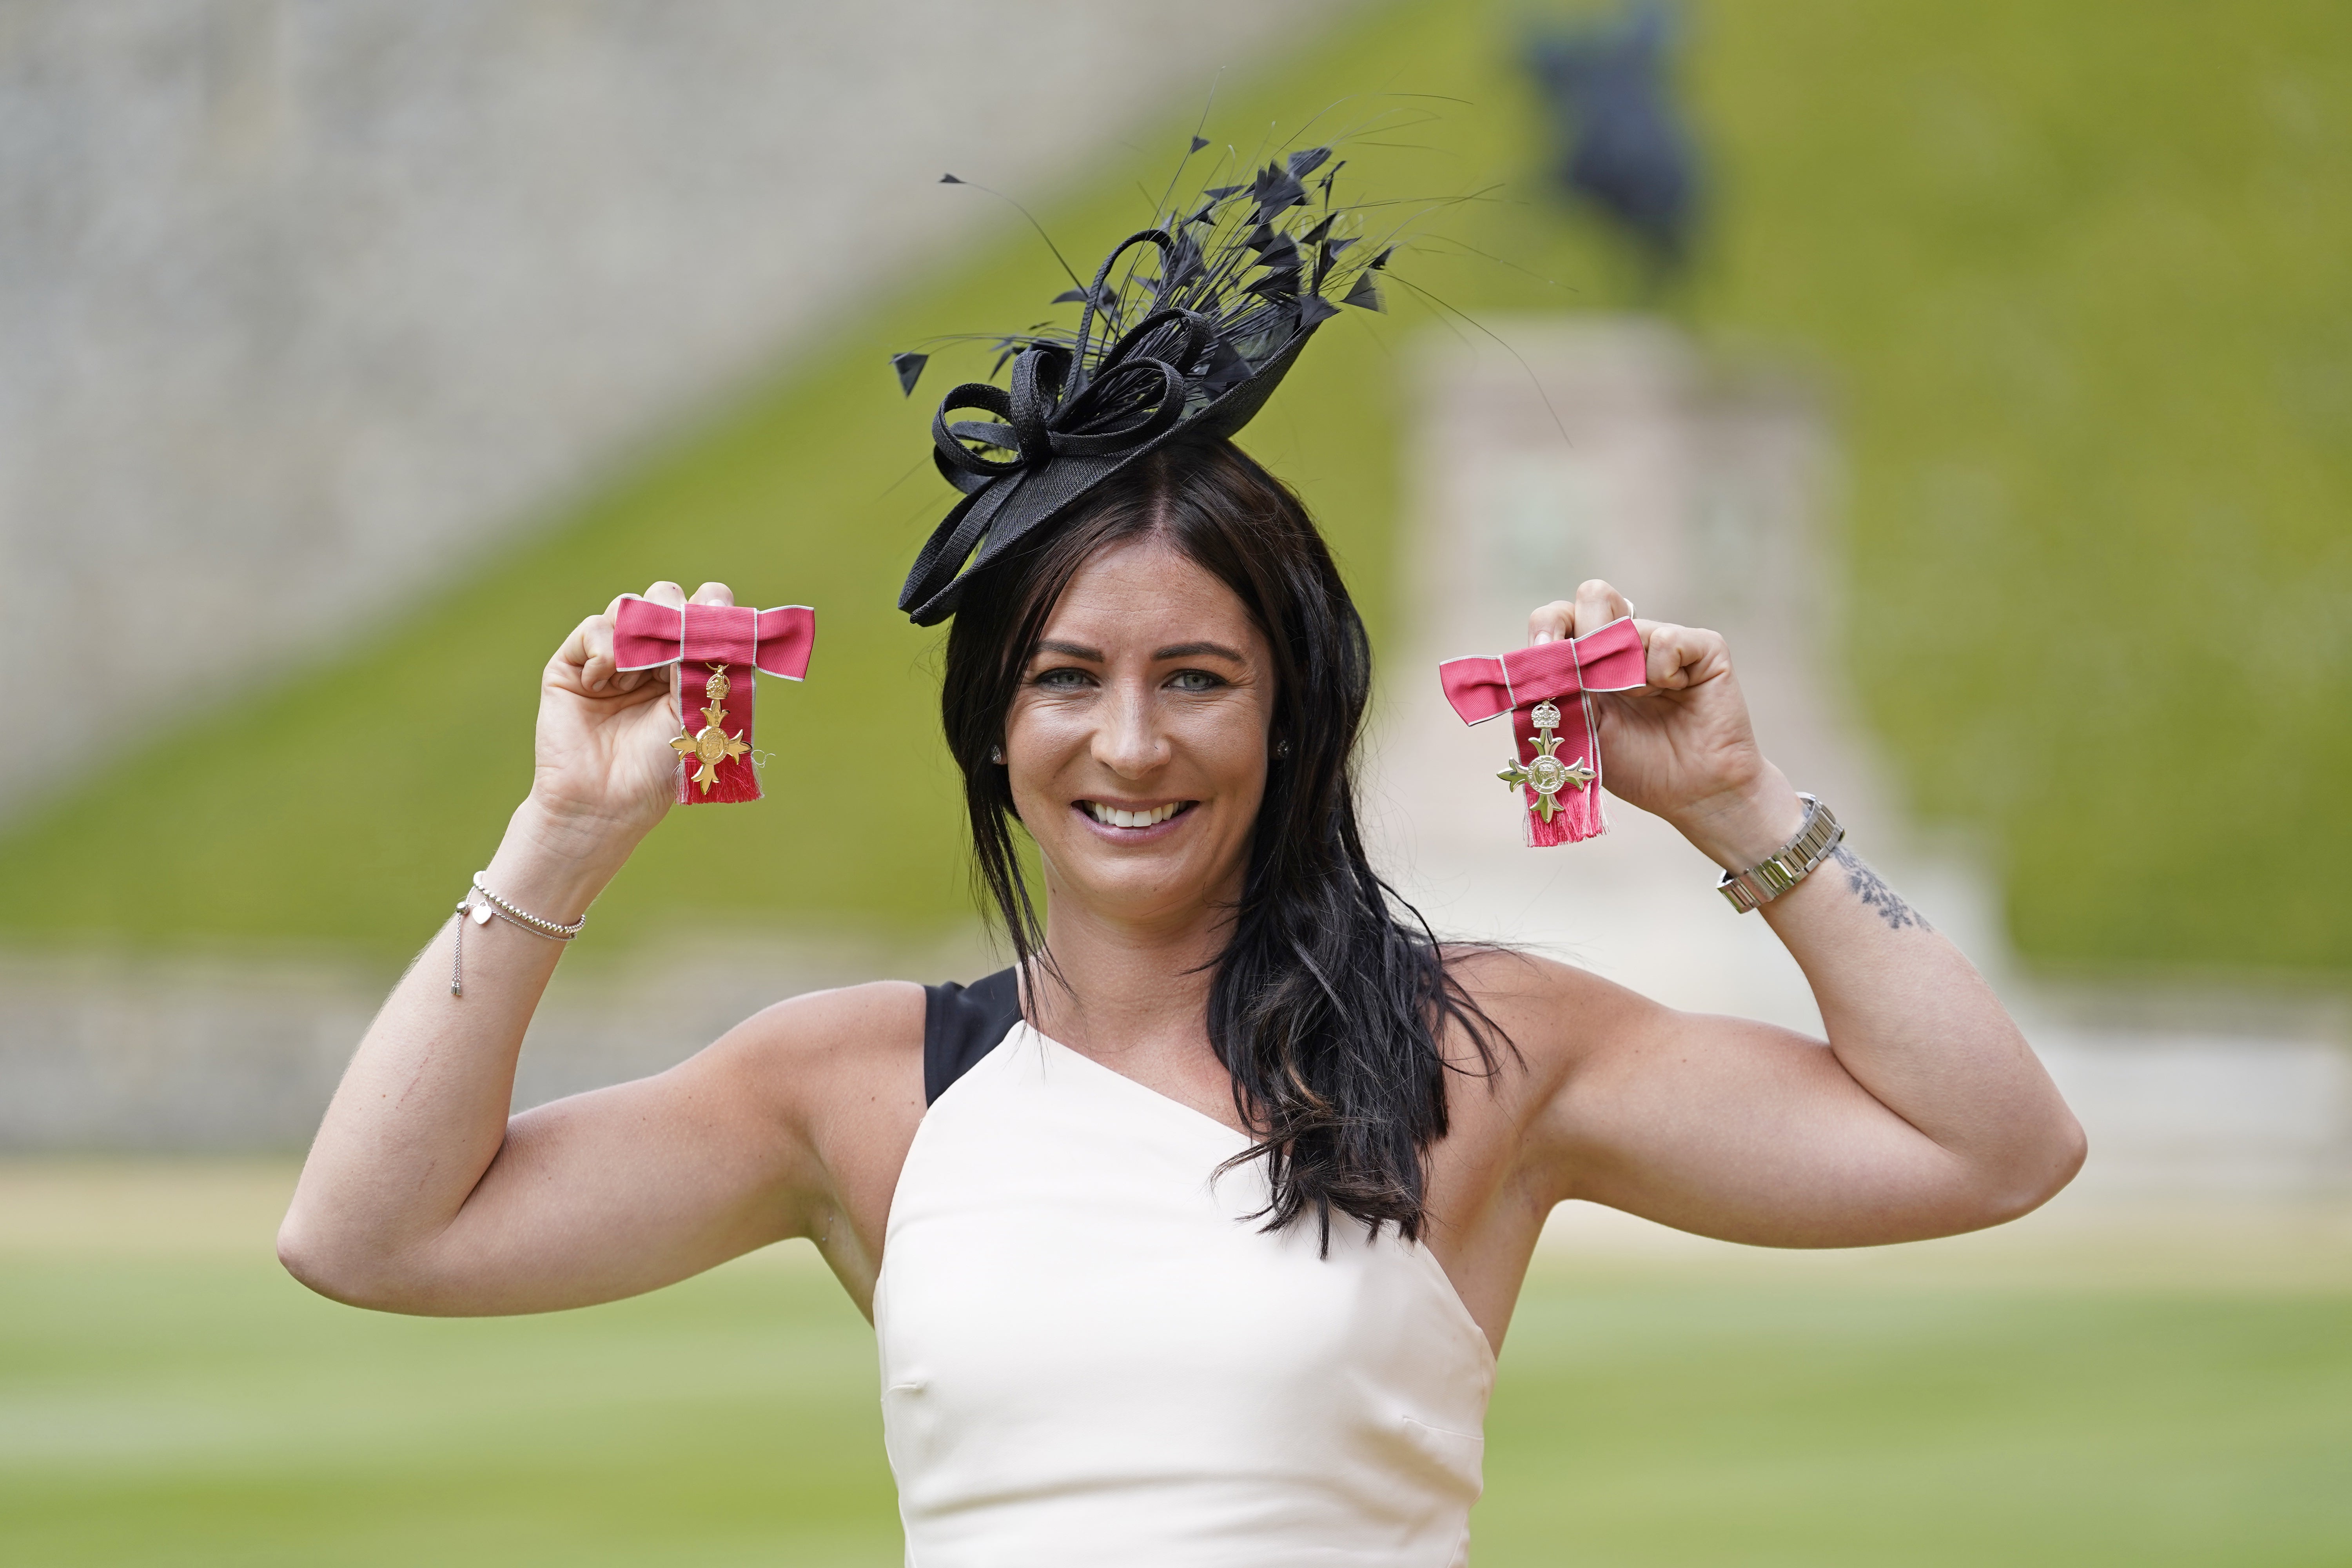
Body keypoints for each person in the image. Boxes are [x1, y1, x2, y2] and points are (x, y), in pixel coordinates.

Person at [278, 151, 2084, 1566]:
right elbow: (368, 1234)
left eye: (1197, 679)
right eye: (1067, 679)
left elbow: (1993, 1145)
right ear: (996, 721)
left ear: (1290, 713)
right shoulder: (855, 1088)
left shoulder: (1479, 1050)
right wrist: (571, 830)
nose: (1128, 743)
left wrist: (1744, 805)